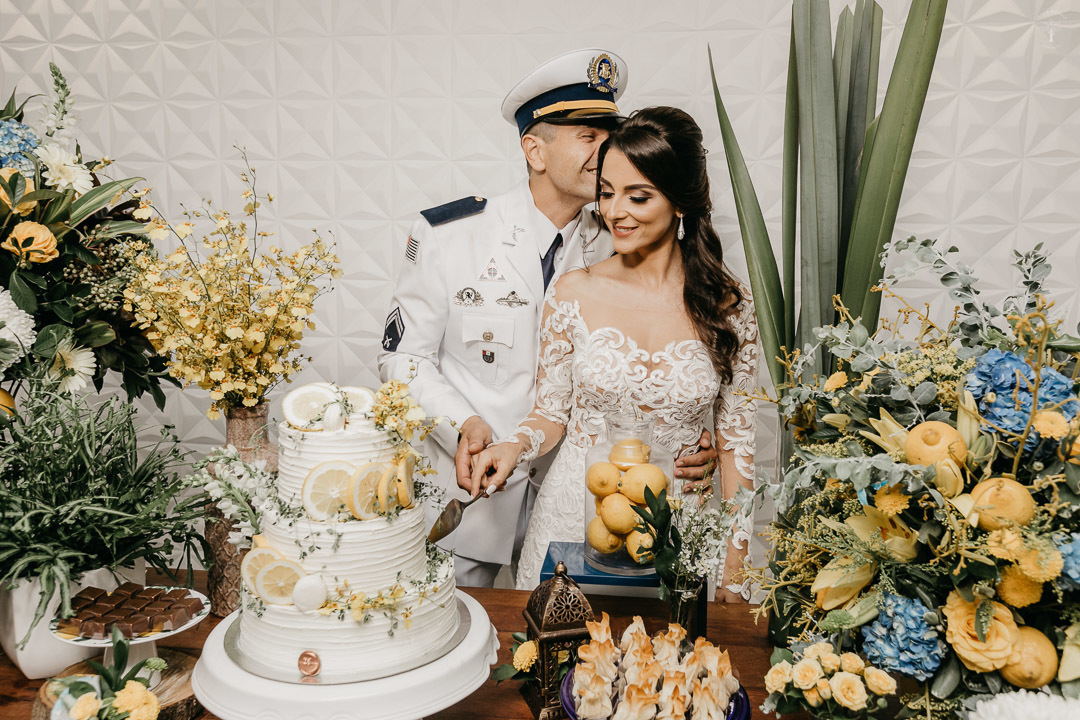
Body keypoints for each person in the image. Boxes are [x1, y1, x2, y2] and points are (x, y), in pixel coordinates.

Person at [379, 51, 718, 588]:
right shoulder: (450, 235)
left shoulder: (632, 234)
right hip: (472, 497)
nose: (607, 150)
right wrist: (464, 426)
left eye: (612, 133)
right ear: (534, 149)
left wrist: (698, 436)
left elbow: (675, 354)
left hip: (594, 507)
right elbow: (402, 359)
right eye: (589, 135)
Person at [468, 106, 758, 598]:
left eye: (638, 196)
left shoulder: (730, 306)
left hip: (679, 534)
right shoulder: (573, 291)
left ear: (681, 201)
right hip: (571, 522)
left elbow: (737, 448)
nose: (614, 211)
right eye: (606, 193)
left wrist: (737, 568)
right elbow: (551, 412)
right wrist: (513, 446)